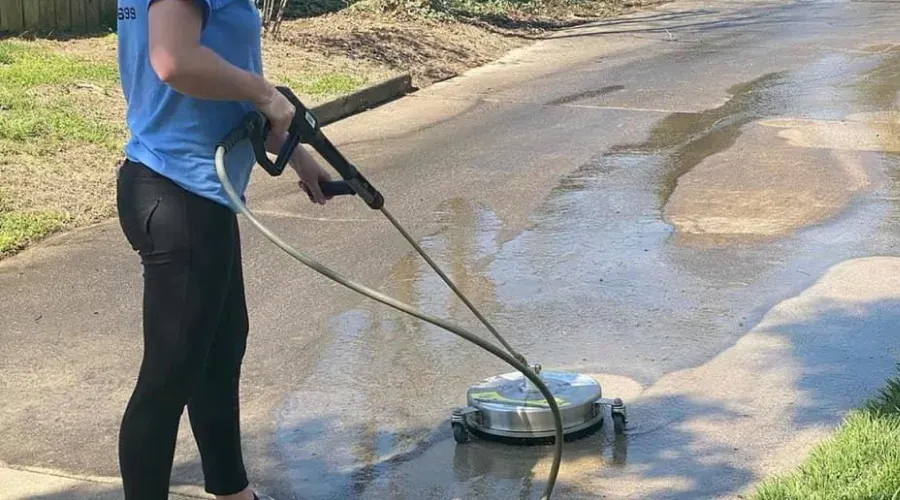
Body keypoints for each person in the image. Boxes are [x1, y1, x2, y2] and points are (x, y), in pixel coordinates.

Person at [114, 0, 332, 498]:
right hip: (178, 192)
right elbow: (175, 62)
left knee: (220, 346)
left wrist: (297, 155)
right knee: (169, 376)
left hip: (199, 192)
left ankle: (233, 492)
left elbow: (218, 82)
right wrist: (265, 93)